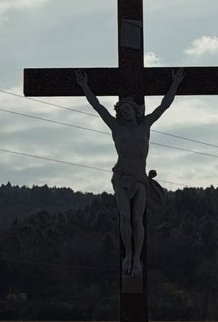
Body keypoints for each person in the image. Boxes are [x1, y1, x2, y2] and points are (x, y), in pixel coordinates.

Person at [75, 68, 185, 277]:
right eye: (122, 111)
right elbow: (97, 106)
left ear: (136, 111)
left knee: (137, 218)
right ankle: (128, 255)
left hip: (140, 179)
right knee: (125, 216)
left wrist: (175, 83)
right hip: (121, 176)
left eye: (128, 110)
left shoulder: (145, 125)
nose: (125, 113)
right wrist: (84, 86)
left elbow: (165, 105)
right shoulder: (116, 127)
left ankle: (136, 258)